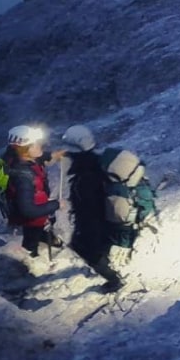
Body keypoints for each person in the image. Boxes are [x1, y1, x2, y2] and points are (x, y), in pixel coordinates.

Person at [60, 125, 123, 293]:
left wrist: (83, 225)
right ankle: (105, 261)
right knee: (92, 245)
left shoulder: (85, 174)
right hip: (103, 217)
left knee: (83, 247)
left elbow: (87, 204)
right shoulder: (95, 162)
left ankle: (113, 280)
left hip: (93, 221)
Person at [3, 125, 65, 258]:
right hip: (33, 213)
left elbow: (37, 158)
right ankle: (30, 254)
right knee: (32, 232)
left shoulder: (19, 158)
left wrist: (52, 155)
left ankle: (43, 235)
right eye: (35, 144)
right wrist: (56, 205)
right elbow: (28, 211)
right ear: (25, 150)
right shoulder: (23, 177)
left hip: (38, 204)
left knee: (41, 225)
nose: (39, 145)